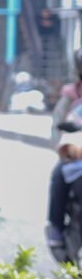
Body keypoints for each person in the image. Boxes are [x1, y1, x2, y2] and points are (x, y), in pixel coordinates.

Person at [46, 48, 82, 249]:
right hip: (75, 156)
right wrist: (63, 148)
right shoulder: (71, 96)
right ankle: (56, 227)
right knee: (59, 175)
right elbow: (58, 126)